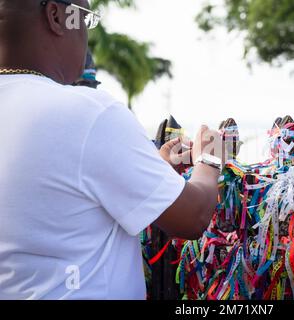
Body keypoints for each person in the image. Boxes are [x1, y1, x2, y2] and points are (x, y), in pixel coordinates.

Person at [0, 0, 223, 299]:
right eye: (85, 19)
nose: (85, 35)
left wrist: (156, 169)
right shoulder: (85, 113)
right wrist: (210, 157)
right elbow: (193, 216)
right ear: (56, 16)